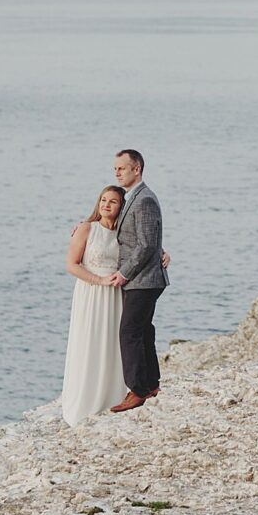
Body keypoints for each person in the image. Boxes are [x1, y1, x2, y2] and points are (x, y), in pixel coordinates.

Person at [106, 148, 170, 412]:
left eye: (122, 168)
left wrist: (124, 273)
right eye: (116, 169)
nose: (118, 172)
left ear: (137, 169)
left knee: (129, 332)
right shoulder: (130, 198)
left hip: (144, 279)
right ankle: (151, 383)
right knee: (144, 330)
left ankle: (138, 390)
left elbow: (145, 245)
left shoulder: (144, 199)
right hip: (144, 278)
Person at [59, 185, 128, 425]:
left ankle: (112, 396)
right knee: (89, 341)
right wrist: (99, 280)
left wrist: (164, 254)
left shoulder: (124, 232)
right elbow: (72, 264)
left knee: (112, 343)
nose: (106, 205)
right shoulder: (86, 228)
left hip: (115, 295)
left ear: (121, 207)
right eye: (103, 200)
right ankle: (86, 401)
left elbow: (142, 251)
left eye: (113, 202)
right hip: (91, 292)